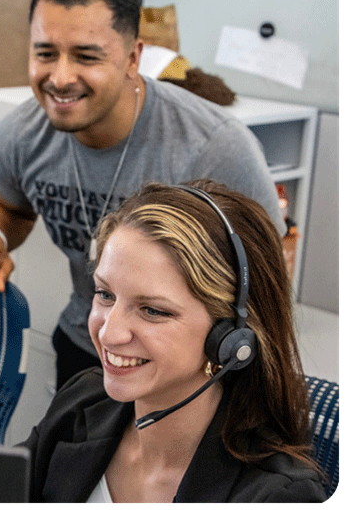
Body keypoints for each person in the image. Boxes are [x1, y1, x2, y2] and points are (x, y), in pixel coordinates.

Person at [0, 0, 286, 390]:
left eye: (86, 56)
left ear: (133, 58)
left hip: (186, 371)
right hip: (86, 344)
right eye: (45, 53)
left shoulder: (214, 148)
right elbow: (2, 199)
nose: (60, 77)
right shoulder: (21, 134)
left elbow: (268, 284)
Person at [19, 180, 326, 502]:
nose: (109, 333)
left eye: (152, 310)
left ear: (232, 337)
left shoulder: (278, 498)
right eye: (105, 294)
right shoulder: (81, 401)